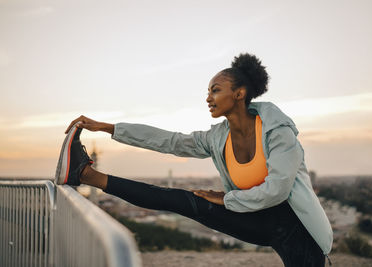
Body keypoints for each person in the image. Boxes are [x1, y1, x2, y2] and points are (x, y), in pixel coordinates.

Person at [56, 53, 333, 266]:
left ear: (239, 93)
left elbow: (278, 190)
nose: (208, 98)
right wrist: (108, 128)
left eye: (215, 90)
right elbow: (170, 141)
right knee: (185, 201)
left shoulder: (278, 132)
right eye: (209, 91)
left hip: (300, 232)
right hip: (256, 218)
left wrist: (225, 199)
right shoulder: (217, 138)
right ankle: (86, 175)